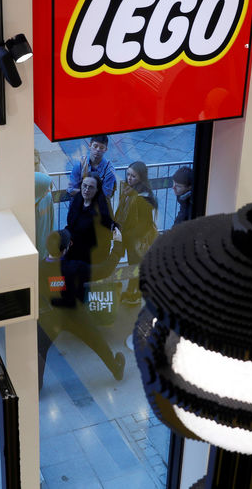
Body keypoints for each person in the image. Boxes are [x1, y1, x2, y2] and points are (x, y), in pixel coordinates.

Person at [37, 229, 125, 389]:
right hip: (76, 316)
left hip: (51, 317)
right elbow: (105, 269)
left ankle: (37, 384)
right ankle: (116, 368)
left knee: (40, 348)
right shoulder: (75, 268)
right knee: (98, 342)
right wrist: (117, 245)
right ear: (64, 250)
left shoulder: (39, 268)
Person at [56, 172, 117, 308]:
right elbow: (71, 223)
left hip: (88, 256)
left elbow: (105, 237)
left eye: (90, 187)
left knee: (81, 286)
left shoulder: (101, 210)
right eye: (84, 186)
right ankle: (68, 300)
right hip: (72, 249)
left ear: (97, 190)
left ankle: (78, 306)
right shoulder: (78, 199)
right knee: (67, 277)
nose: (86, 190)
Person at [114, 161, 158, 303]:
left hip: (135, 239)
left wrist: (129, 236)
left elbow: (145, 223)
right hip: (128, 236)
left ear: (141, 177)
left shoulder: (142, 196)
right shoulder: (130, 190)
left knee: (135, 267)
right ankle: (131, 291)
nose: (129, 178)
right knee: (132, 265)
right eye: (128, 174)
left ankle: (134, 295)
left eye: (133, 176)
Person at [66, 135, 117, 202]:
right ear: (90, 146)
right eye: (95, 146)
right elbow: (70, 189)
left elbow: (106, 195)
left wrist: (83, 193)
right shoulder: (80, 165)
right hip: (79, 205)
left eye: (101, 147)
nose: (98, 150)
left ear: (106, 149)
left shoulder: (109, 170)